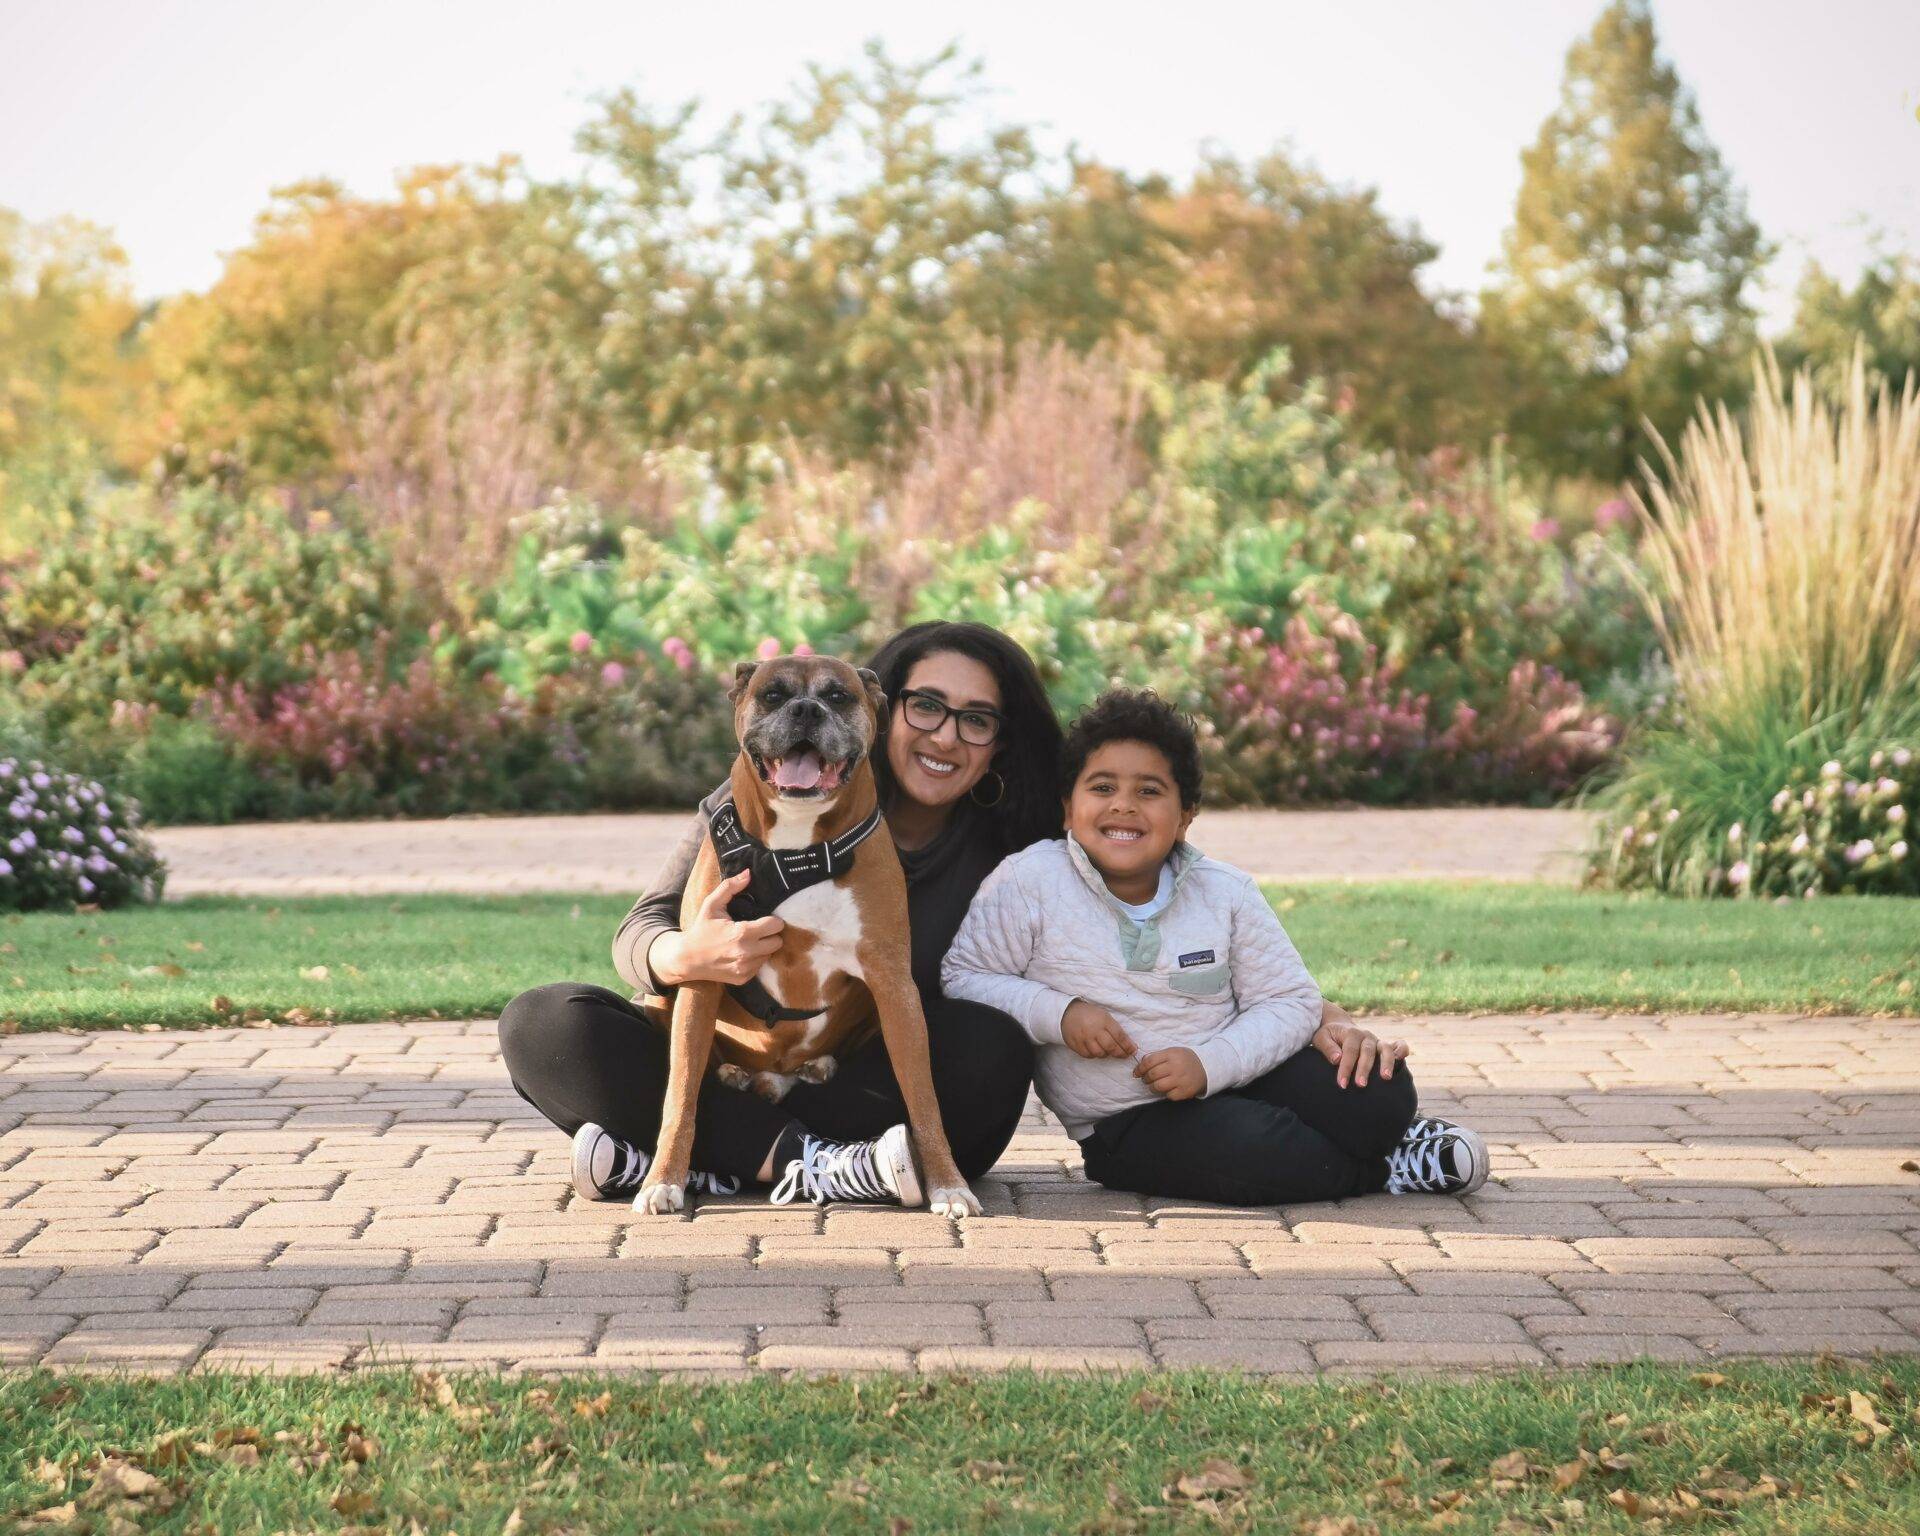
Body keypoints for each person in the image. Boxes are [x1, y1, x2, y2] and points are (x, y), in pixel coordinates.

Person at [497, 621, 1065, 1207]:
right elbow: (639, 931)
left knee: (993, 1048)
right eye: (926, 707)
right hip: (724, 1070)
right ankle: (822, 1167)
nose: (945, 736)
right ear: (889, 711)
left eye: (976, 719)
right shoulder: (746, 803)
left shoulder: (1017, 848)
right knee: (544, 1025)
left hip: (851, 1081)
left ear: (1001, 741)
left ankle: (706, 1164)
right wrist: (685, 953)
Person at [942, 687, 1490, 1207]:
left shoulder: (1223, 891)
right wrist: (1059, 1014)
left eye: (1149, 791)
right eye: (1102, 787)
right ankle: (1384, 1169)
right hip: (1128, 1119)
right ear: (1067, 807)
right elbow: (965, 977)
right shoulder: (1027, 882)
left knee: (1381, 1094)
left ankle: (1385, 1133)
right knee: (1258, 1153)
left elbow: (1290, 1001)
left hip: (1245, 1072)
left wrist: (1211, 1063)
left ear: (1184, 817)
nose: (1125, 806)